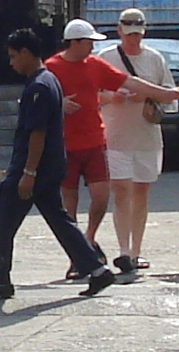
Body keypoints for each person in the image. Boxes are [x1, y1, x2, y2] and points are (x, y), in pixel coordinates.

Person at [0, 27, 119, 301]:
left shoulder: (39, 86)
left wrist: (27, 172)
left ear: (27, 53)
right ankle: (96, 269)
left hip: (35, 167)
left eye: (14, 56)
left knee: (4, 221)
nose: (12, 62)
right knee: (59, 219)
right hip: (49, 165)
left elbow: (37, 133)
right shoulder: (49, 80)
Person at [101, 7, 179, 275]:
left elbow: (169, 95)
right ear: (119, 32)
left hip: (147, 136)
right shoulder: (105, 58)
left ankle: (136, 251)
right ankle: (123, 250)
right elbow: (92, 94)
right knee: (121, 191)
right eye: (128, 35)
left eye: (137, 34)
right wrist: (112, 97)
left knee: (140, 191)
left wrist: (147, 96)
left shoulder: (155, 59)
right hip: (116, 135)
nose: (133, 40)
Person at [43, 19, 135, 269]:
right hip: (65, 145)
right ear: (74, 42)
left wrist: (166, 93)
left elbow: (127, 82)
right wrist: (59, 104)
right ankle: (78, 256)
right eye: (89, 43)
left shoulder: (94, 65)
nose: (92, 48)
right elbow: (35, 100)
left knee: (101, 196)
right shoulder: (51, 67)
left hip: (94, 141)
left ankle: (88, 239)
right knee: (68, 203)